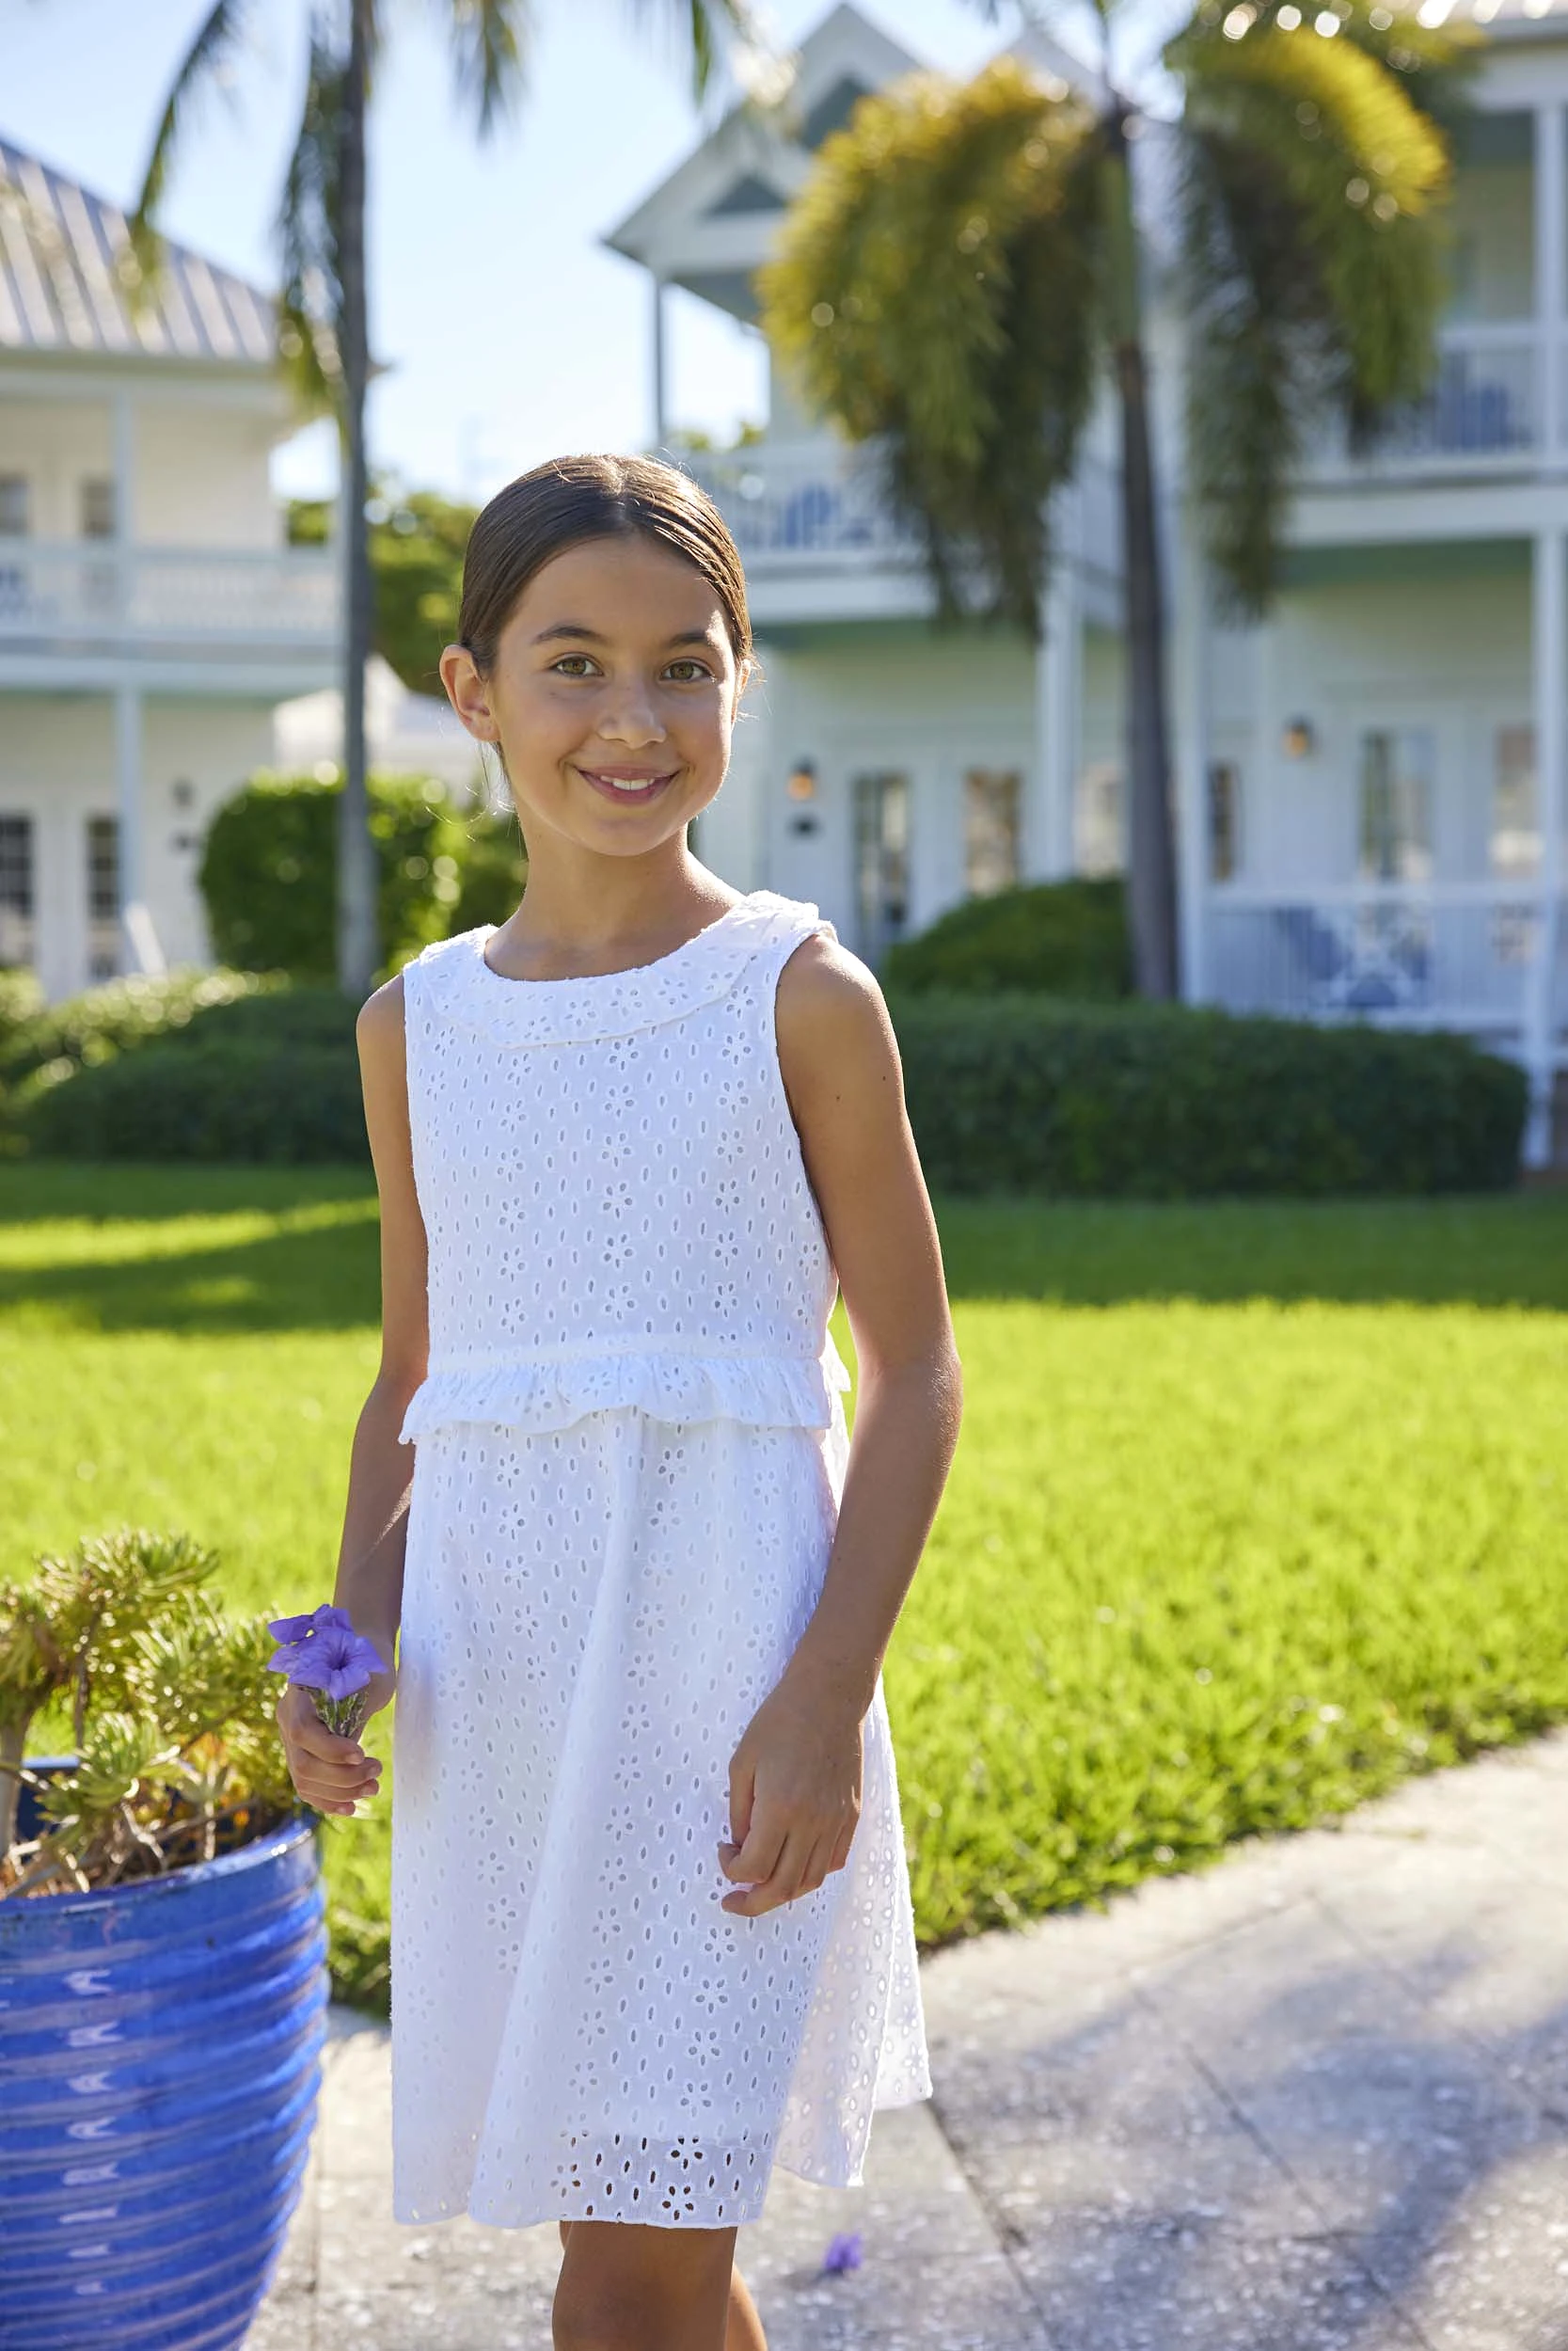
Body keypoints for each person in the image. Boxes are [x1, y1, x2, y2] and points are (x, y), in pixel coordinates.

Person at [276, 452, 962, 2351]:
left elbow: (912, 1371)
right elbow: (420, 1372)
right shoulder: (415, 1023)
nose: (632, 719)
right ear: (470, 685)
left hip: (725, 1703)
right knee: (641, 2249)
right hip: (502, 1709)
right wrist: (347, 1641)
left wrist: (821, 1697)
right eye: (571, 663)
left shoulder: (797, 995)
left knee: (628, 2272)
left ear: (738, 683)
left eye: (684, 665)